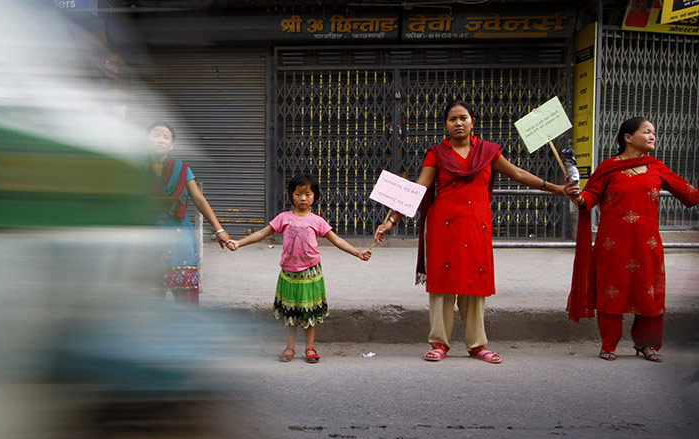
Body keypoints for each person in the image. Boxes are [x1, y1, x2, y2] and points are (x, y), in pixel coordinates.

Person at [374, 100, 566, 363]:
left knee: (475, 284)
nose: (458, 123)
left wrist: (556, 188)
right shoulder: (436, 153)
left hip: (477, 227)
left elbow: (518, 173)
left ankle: (477, 345)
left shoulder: (488, 152)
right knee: (442, 286)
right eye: (452, 119)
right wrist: (391, 221)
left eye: (463, 118)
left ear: (472, 121)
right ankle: (439, 343)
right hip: (443, 228)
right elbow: (419, 188)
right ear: (445, 125)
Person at [565, 117, 699, 362]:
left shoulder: (656, 167)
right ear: (628, 137)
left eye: (654, 133)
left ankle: (647, 344)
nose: (652, 137)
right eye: (646, 132)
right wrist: (577, 194)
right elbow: (589, 199)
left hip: (647, 244)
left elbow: (690, 195)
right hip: (612, 245)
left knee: (649, 293)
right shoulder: (608, 168)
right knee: (611, 292)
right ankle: (609, 344)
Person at [226, 174, 371, 363]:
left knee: (309, 312)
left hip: (310, 273)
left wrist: (358, 253)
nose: (303, 198)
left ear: (315, 197)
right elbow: (262, 233)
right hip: (289, 273)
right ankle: (289, 348)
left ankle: (310, 348)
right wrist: (238, 243)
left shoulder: (317, 221)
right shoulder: (283, 218)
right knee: (290, 313)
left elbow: (336, 240)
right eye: (298, 193)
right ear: (291, 195)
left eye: (308, 194)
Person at [148, 122, 231, 308]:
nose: (160, 140)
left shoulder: (182, 169)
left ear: (172, 145)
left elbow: (199, 200)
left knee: (185, 300)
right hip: (149, 240)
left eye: (165, 137)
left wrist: (219, 230)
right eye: (155, 135)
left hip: (179, 241)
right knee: (150, 301)